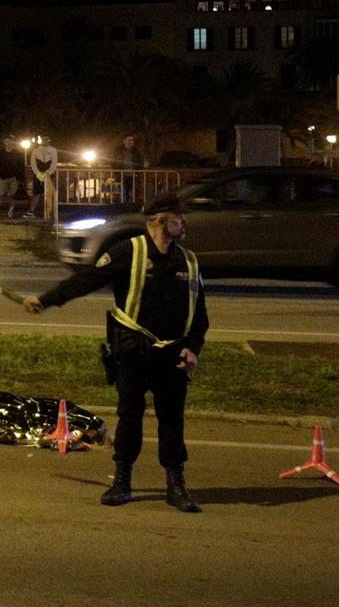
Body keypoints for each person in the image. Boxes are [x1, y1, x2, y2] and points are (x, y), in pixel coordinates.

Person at [22, 194, 208, 511]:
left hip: (173, 356)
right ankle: (122, 482)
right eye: (178, 217)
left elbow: (199, 312)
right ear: (162, 221)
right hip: (134, 353)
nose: (184, 222)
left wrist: (193, 348)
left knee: (172, 421)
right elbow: (87, 280)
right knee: (129, 418)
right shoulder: (128, 252)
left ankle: (176, 486)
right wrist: (46, 299)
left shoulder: (188, 261)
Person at [0, 141, 24, 219]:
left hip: (14, 177)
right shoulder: (0, 153)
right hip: (2, 177)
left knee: (13, 195)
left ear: (13, 143)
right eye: (7, 142)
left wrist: (21, 178)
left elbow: (21, 166)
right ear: (5, 143)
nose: (9, 143)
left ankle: (10, 212)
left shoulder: (18, 153)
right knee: (0, 194)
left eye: (10, 142)